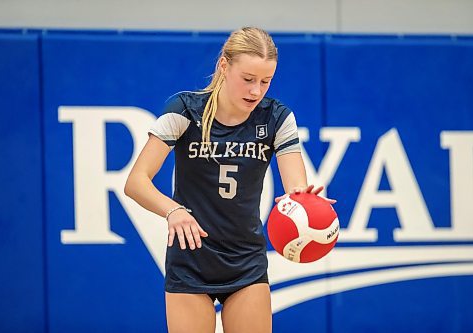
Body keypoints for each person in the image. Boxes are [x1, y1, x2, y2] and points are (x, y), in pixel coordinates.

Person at [124, 26, 335, 333]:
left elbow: (295, 188)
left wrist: (306, 203)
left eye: (266, 81)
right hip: (190, 260)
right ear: (224, 65)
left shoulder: (276, 118)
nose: (256, 90)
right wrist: (174, 211)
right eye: (248, 79)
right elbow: (136, 182)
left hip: (245, 261)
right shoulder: (185, 110)